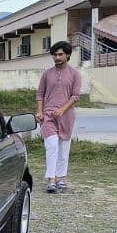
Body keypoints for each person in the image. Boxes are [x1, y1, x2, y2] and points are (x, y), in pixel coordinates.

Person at [36, 41, 81, 193]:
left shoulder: (75, 74)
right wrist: (39, 112)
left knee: (63, 147)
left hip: (66, 115)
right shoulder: (47, 74)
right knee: (52, 145)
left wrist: (62, 110)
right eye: (55, 55)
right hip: (48, 115)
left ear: (68, 55)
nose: (57, 57)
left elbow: (75, 96)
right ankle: (51, 179)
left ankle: (60, 177)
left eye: (60, 54)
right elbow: (40, 94)